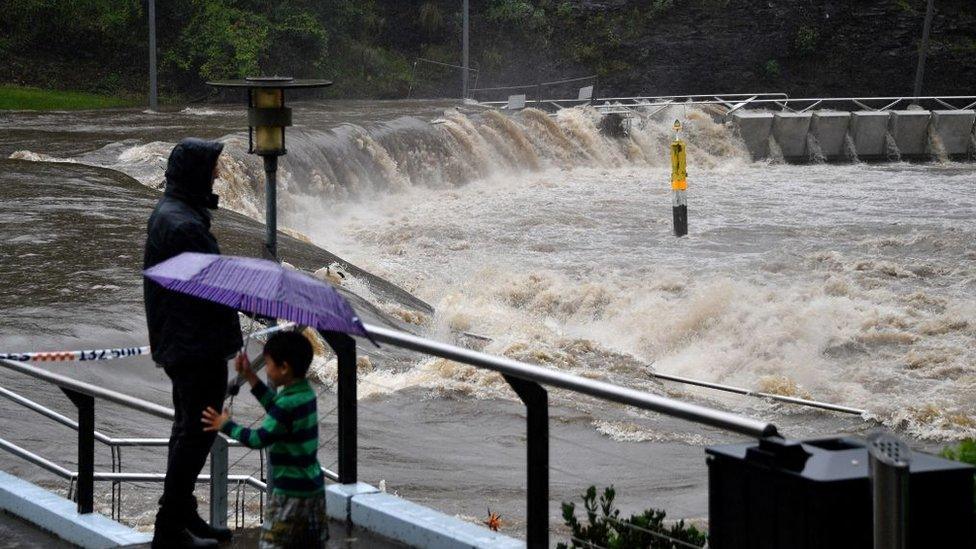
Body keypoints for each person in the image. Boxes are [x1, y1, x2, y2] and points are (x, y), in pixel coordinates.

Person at [144, 138, 243, 548]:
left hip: (182, 340)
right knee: (197, 432)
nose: (220, 173)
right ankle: (170, 528)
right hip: (195, 344)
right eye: (214, 167)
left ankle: (184, 516)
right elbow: (213, 287)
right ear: (198, 174)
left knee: (187, 428)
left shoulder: (173, 214)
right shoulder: (184, 225)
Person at [202, 331, 328, 548]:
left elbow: (257, 439)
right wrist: (250, 376)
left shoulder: (286, 404)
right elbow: (276, 408)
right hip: (313, 490)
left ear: (284, 367)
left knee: (273, 544)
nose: (266, 369)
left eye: (268, 364)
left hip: (289, 493)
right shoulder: (305, 394)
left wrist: (225, 425)